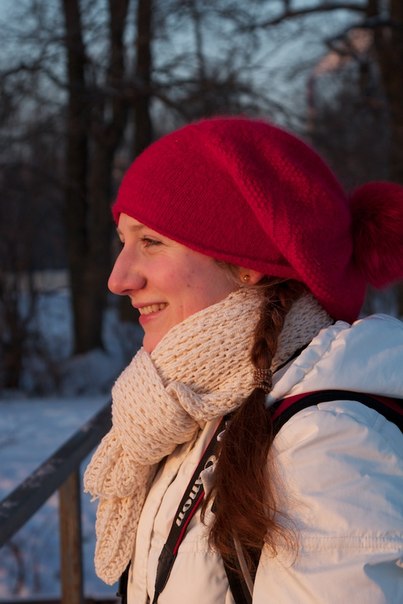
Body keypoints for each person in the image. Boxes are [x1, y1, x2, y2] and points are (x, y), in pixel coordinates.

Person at [84, 116, 403, 603]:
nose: (119, 278)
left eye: (151, 242)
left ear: (247, 263)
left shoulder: (325, 441)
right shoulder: (197, 404)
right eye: (122, 242)